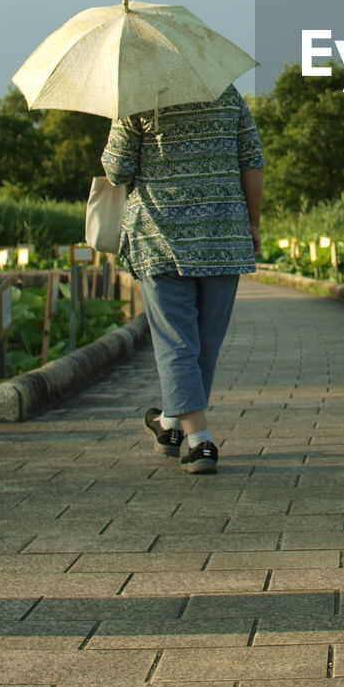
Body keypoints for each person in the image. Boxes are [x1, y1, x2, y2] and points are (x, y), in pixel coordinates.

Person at [100, 82, 264, 474]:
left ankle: (199, 441)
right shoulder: (225, 93)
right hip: (223, 235)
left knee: (176, 341)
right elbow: (252, 160)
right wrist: (253, 223)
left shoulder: (136, 99)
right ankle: (172, 424)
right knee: (204, 342)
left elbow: (117, 170)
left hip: (160, 238)